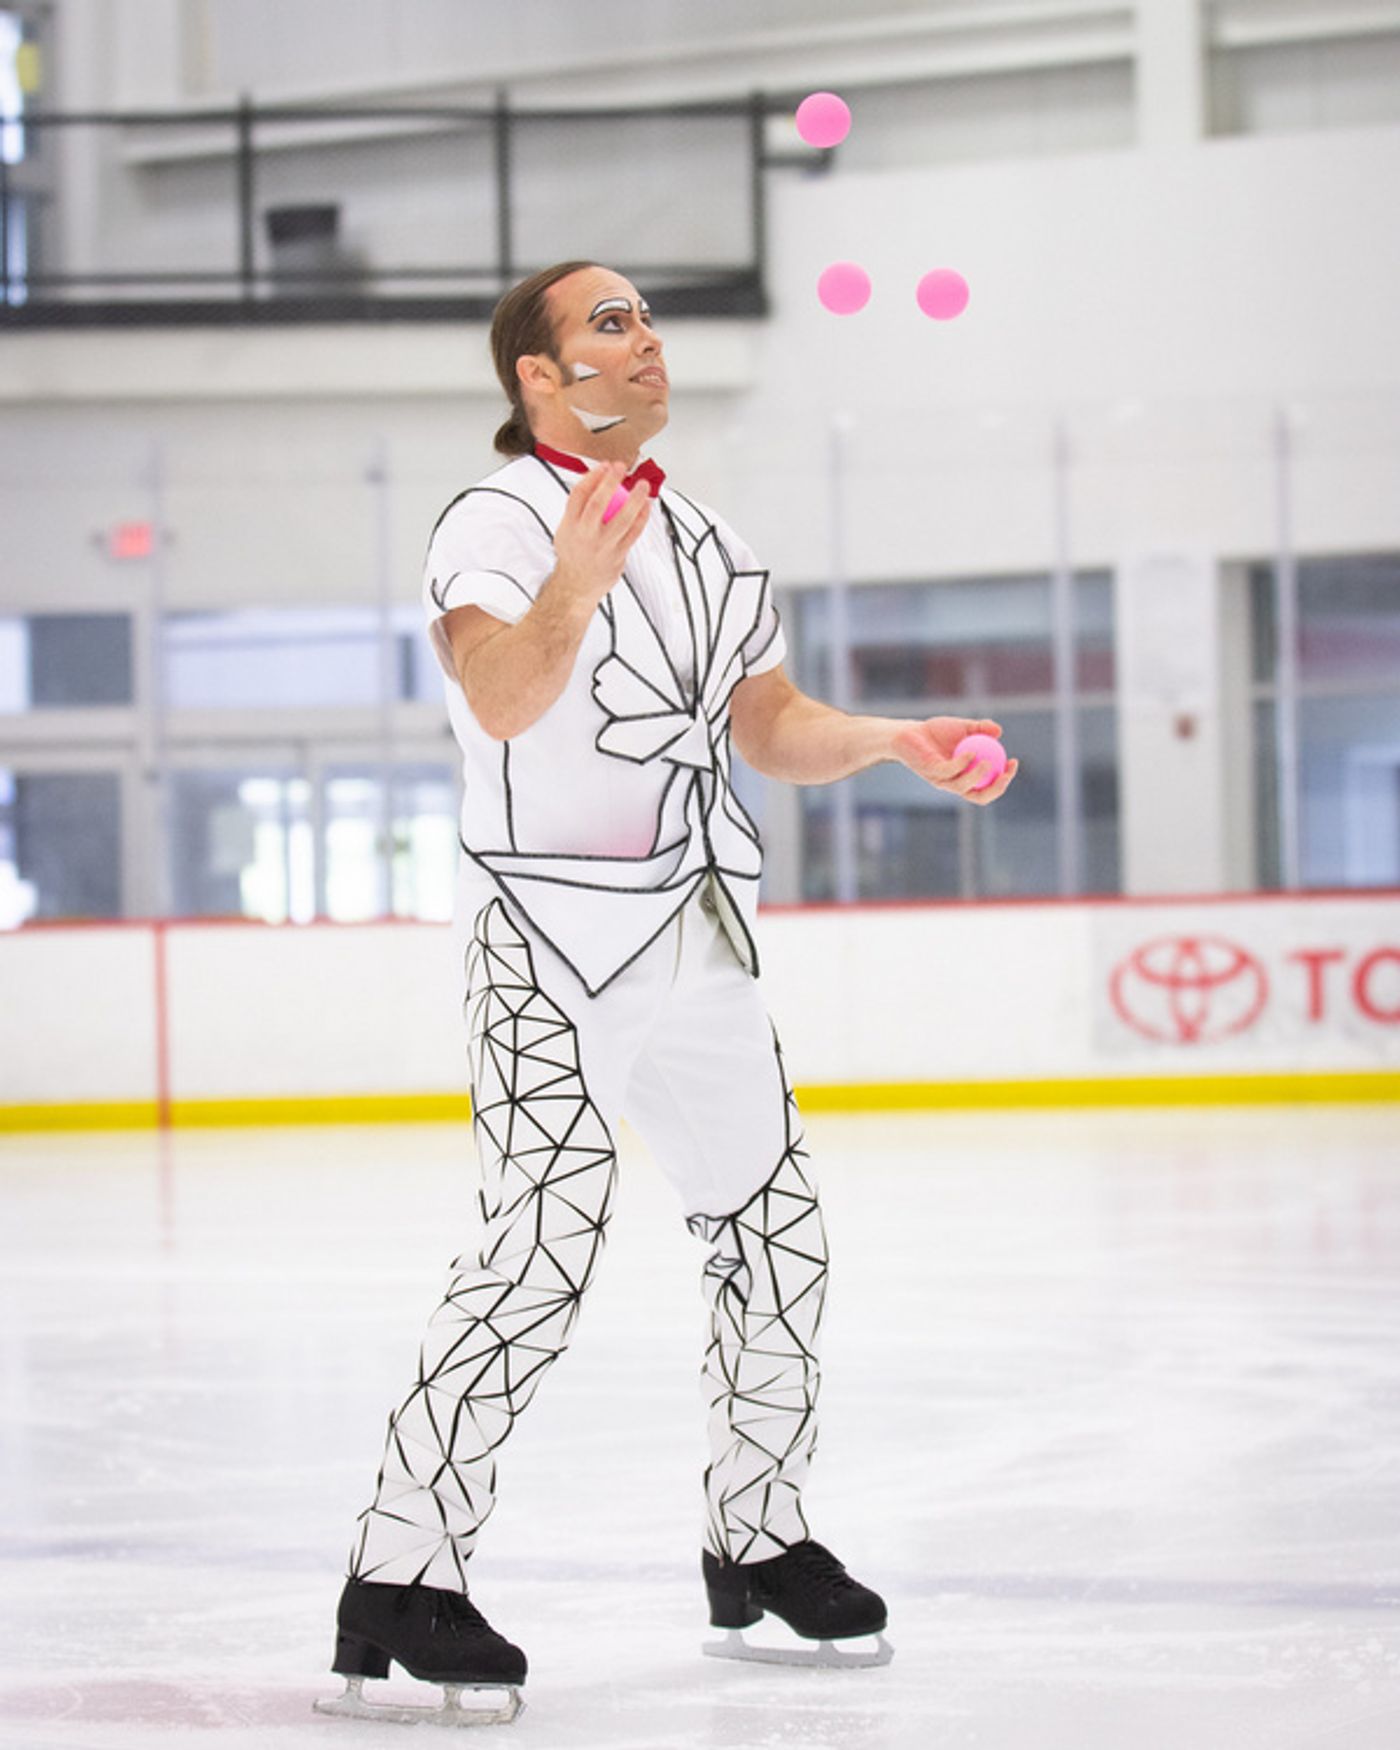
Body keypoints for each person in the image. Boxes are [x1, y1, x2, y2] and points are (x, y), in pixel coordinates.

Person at [318, 260, 1017, 1722]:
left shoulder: (711, 541)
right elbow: (502, 697)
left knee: (775, 1231)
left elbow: (769, 721)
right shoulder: (493, 521)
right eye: (610, 323)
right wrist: (573, 584)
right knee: (538, 1245)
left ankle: (756, 1539)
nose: (645, 340)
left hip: (698, 929)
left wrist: (889, 740)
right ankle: (400, 1574)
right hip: (546, 939)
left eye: (644, 319)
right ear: (539, 375)